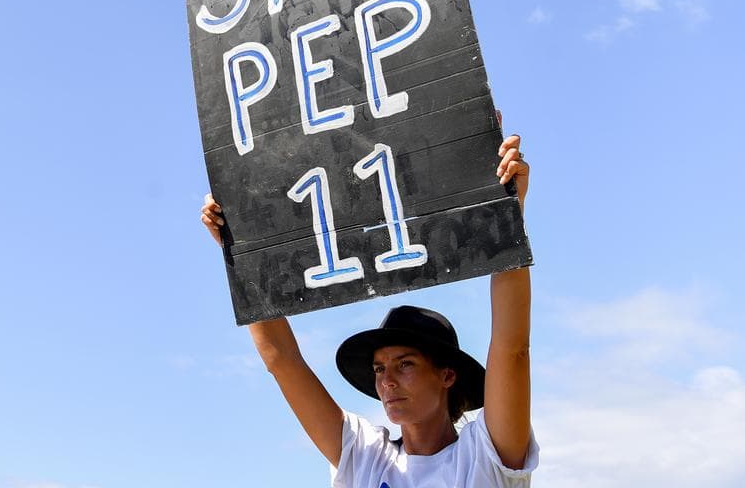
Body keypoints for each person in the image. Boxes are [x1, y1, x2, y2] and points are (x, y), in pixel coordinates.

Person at [199, 132, 537, 487]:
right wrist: (240, 251)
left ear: (447, 376)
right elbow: (281, 360)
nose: (387, 382)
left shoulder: (485, 454)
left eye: (405, 364)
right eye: (379, 368)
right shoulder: (364, 456)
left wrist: (508, 215)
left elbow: (512, 348)